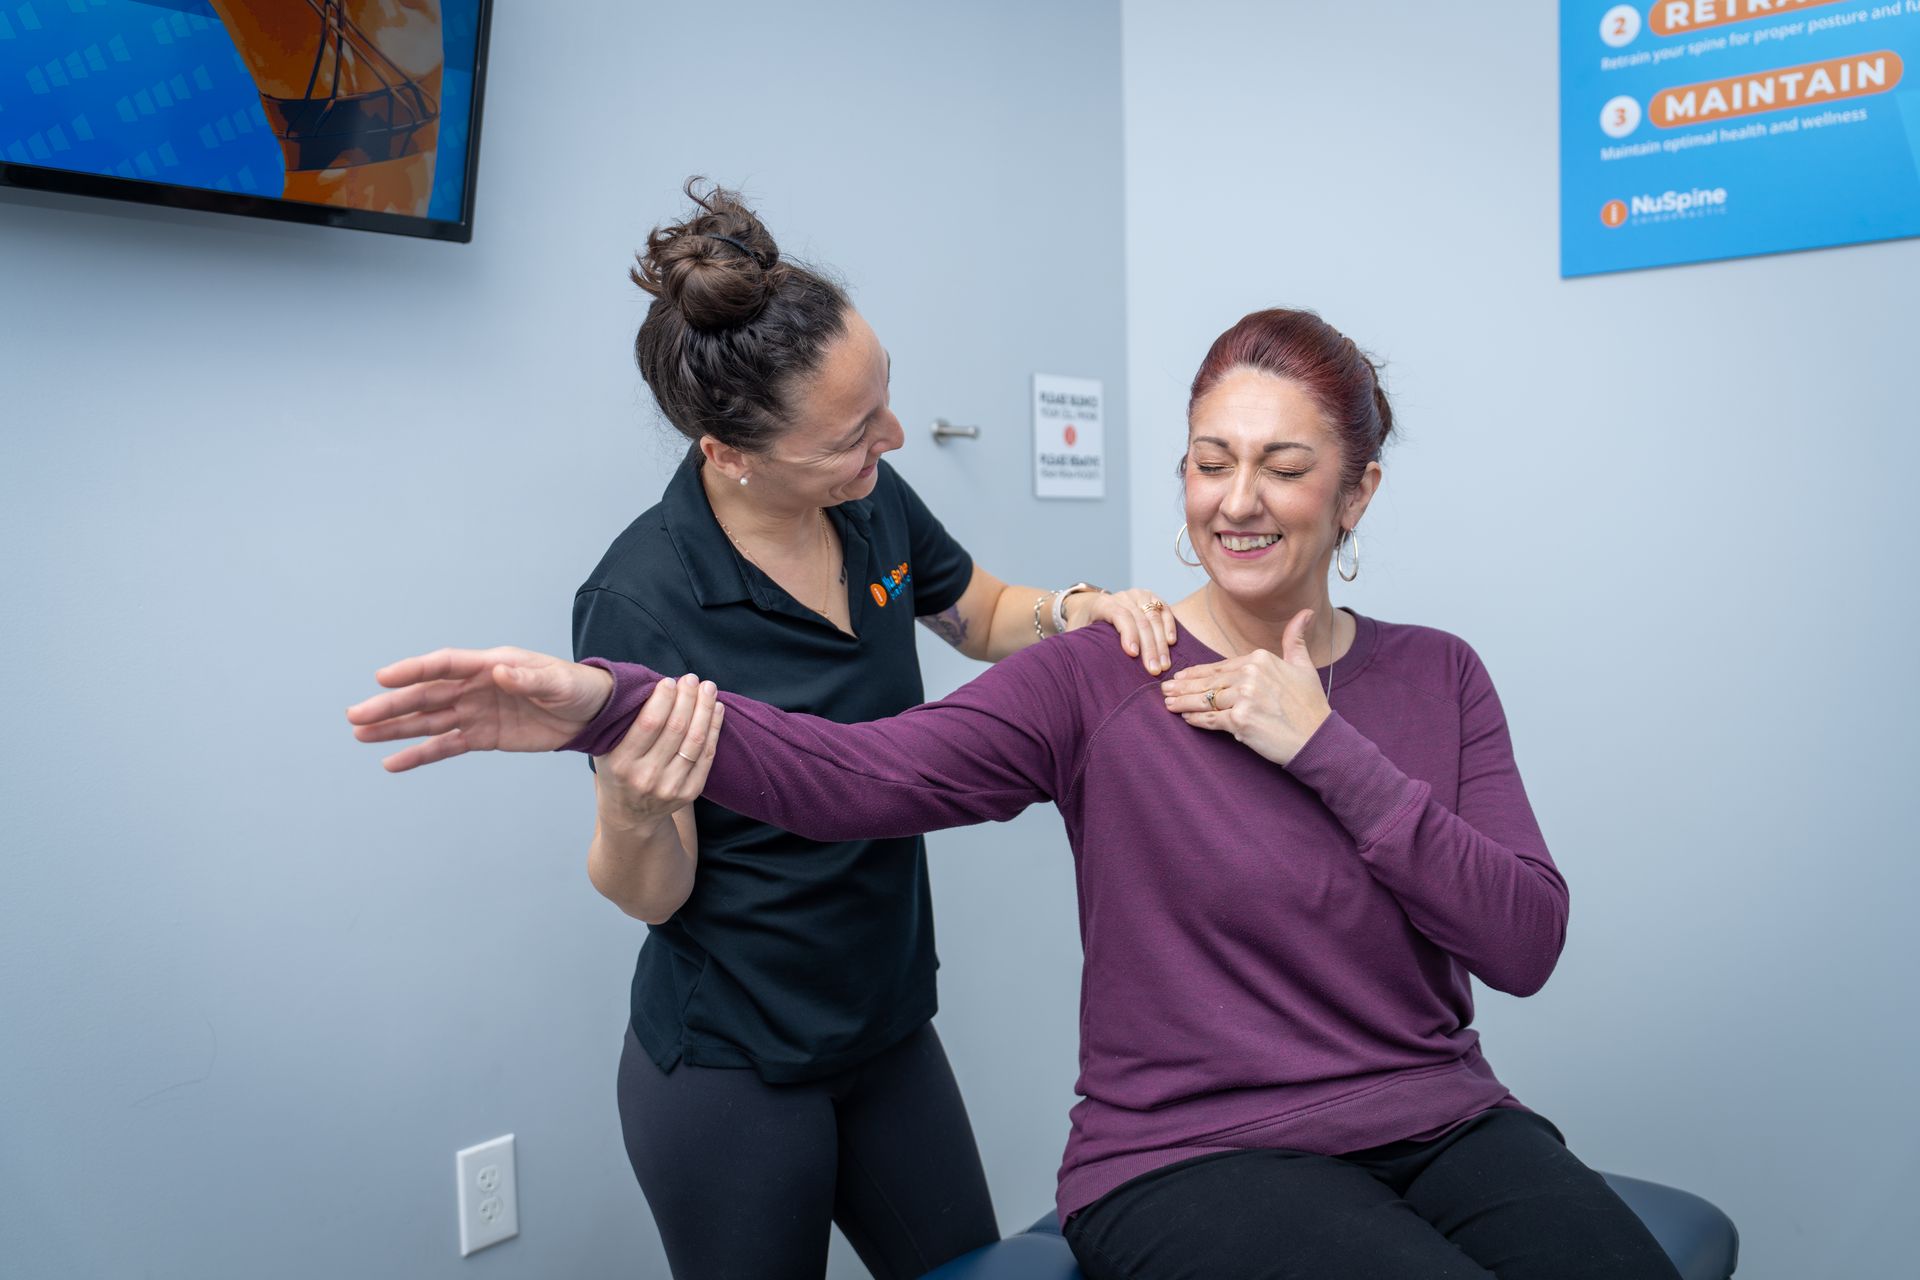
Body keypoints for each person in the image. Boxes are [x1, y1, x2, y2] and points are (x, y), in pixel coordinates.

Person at [350, 307, 1683, 1279]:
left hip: (1436, 1116)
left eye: (1284, 465)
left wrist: (1322, 743)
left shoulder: (1436, 676)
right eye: (1210, 459)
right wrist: (609, 705)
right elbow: (863, 773)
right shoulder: (1106, 681)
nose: (1238, 498)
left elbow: (1526, 944)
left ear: (1358, 492)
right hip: (1167, 1146)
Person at [357, 180, 1172, 1280]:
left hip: (887, 1030)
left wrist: (1076, 609)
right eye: (851, 433)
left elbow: (975, 610)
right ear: (731, 449)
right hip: (733, 1066)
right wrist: (632, 803)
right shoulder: (644, 600)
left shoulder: (869, 501)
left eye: (885, 401)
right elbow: (650, 890)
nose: (888, 435)